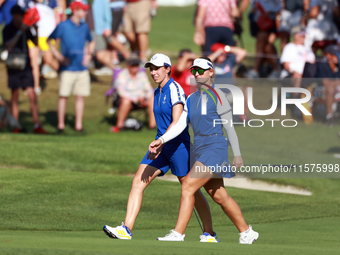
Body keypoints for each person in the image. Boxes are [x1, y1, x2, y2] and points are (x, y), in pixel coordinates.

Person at [103, 53, 219, 243]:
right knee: (138, 181)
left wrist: (163, 140)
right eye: (151, 68)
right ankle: (126, 228)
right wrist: (160, 142)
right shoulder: (157, 92)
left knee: (190, 190)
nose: (153, 72)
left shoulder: (175, 89)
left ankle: (209, 233)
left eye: (157, 68)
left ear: (168, 69)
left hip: (178, 147)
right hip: (160, 146)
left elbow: (178, 121)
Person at [148, 57, 259, 243]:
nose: (197, 74)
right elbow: (180, 124)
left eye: (201, 70)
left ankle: (178, 233)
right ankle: (245, 231)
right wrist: (162, 140)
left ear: (211, 72)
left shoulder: (219, 95)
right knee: (219, 195)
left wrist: (237, 154)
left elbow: (229, 127)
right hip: (200, 148)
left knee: (188, 186)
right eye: (194, 71)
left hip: (215, 147)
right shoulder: (190, 98)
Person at [47, 0, 95, 133]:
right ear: (75, 10)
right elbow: (49, 40)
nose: (85, 12)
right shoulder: (63, 26)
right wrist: (59, 56)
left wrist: (89, 55)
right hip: (67, 68)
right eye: (83, 10)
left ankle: (78, 126)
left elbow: (91, 42)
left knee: (80, 96)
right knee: (63, 96)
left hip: (82, 69)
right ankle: (60, 126)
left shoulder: (84, 27)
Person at [3, 5, 48, 134]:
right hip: (14, 65)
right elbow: (9, 44)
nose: (22, 18)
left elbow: (35, 43)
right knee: (15, 94)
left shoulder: (25, 28)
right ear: (14, 15)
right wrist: (20, 31)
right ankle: (16, 124)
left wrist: (35, 30)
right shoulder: (8, 29)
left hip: (26, 64)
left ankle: (37, 124)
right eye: (20, 15)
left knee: (32, 93)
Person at [18, 0, 60, 95]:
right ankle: (35, 86)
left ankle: (64, 76)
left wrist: (56, 34)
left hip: (47, 35)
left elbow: (57, 17)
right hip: (33, 34)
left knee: (49, 60)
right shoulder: (26, 2)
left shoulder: (52, 1)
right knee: (33, 61)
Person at [110, 54, 156, 133]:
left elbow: (148, 89)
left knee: (152, 98)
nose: (135, 67)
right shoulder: (122, 75)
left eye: (137, 65)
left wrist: (144, 98)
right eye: (133, 65)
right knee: (126, 101)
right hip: (126, 101)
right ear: (128, 65)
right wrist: (136, 99)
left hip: (141, 100)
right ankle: (119, 126)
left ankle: (152, 126)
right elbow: (121, 91)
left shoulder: (142, 75)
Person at [208, 42, 249, 120]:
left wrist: (227, 48)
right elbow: (204, 62)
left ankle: (243, 117)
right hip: (217, 96)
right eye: (221, 54)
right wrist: (217, 53)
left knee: (246, 90)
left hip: (230, 93)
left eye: (224, 54)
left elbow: (243, 53)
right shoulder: (211, 65)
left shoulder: (229, 61)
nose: (223, 55)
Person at [91, 0, 130, 76]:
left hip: (99, 27)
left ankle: (128, 65)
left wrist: (108, 25)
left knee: (102, 52)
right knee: (108, 46)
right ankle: (119, 70)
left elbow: (105, 9)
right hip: (95, 27)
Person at [246, 0, 281, 79]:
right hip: (258, 20)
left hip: (268, 21)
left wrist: (272, 12)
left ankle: (255, 70)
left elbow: (279, 5)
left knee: (262, 45)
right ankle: (275, 69)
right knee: (266, 46)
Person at [315, 44, 340, 126]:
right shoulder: (322, 66)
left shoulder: (338, 67)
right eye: (334, 55)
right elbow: (325, 82)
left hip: (336, 91)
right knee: (330, 88)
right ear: (328, 55)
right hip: (320, 91)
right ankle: (329, 117)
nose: (336, 57)